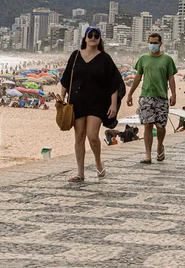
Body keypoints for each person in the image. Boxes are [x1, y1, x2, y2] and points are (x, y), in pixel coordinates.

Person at [60, 26, 121, 182]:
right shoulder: (75, 56)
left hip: (98, 103)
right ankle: (80, 173)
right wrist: (62, 98)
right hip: (77, 102)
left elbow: (113, 83)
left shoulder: (105, 59)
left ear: (99, 39)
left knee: (92, 136)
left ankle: (98, 163)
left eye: (96, 35)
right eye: (90, 35)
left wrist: (113, 105)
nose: (93, 37)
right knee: (79, 137)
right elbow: (66, 79)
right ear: (85, 38)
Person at [126, 33, 178, 164]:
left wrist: (174, 94)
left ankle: (160, 145)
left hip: (162, 97)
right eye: (151, 42)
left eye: (155, 43)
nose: (153, 45)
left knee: (161, 126)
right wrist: (130, 93)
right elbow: (137, 77)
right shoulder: (143, 58)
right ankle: (148, 154)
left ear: (160, 44)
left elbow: (171, 78)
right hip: (146, 96)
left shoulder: (167, 59)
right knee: (147, 125)